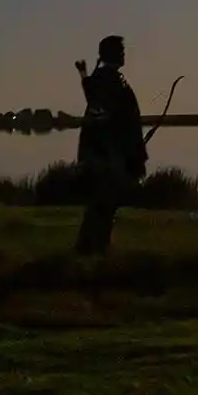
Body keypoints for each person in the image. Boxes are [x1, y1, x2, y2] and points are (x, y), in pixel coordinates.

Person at [73, 35, 148, 255]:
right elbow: (103, 115)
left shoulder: (107, 80)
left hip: (108, 153)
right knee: (104, 203)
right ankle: (91, 249)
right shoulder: (110, 82)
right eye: (121, 51)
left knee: (104, 203)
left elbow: (96, 104)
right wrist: (123, 151)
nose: (124, 55)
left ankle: (93, 248)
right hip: (108, 155)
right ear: (113, 54)